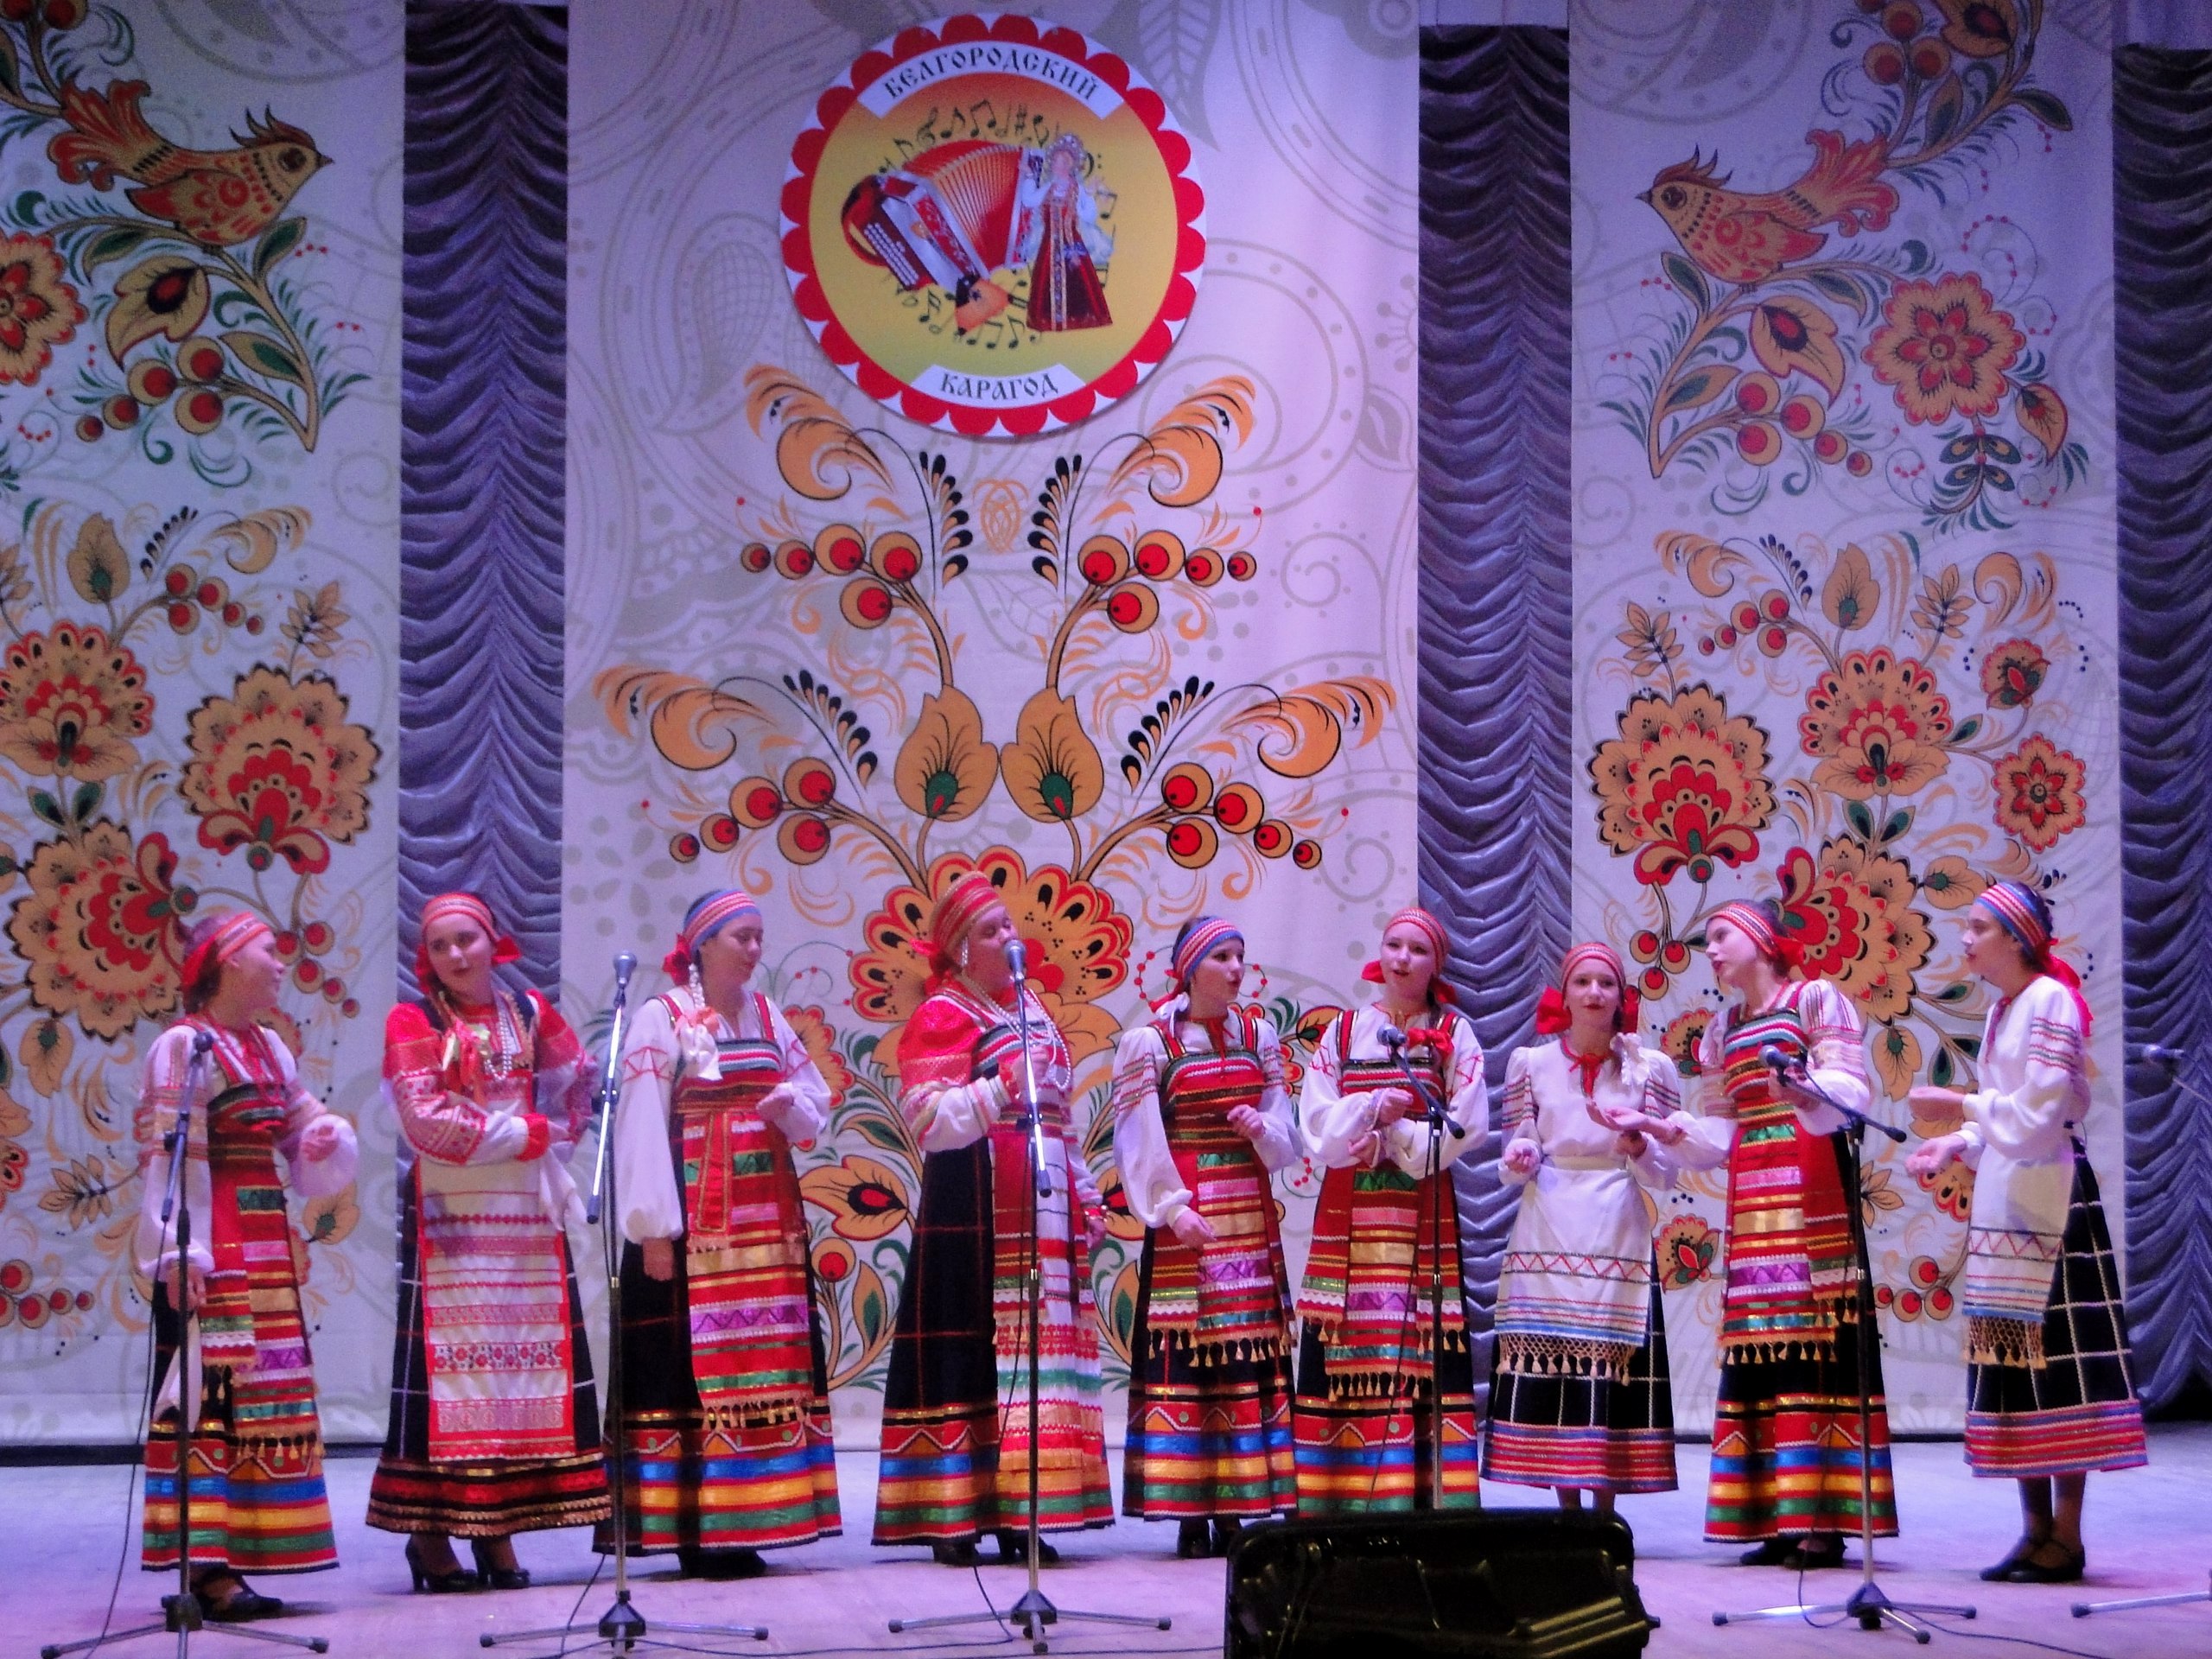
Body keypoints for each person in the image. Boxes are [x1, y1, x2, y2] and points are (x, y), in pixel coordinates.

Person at [367, 892, 611, 1591]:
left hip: (524, 1216)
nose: (455, 955)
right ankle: (431, 1534)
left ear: (493, 939)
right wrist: (520, 1134)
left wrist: (554, 1136)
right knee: (451, 1378)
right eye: (439, 945)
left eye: (465, 940)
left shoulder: (528, 1013)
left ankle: (495, 1529)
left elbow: (580, 1082)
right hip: (453, 1214)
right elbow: (424, 1120)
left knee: (512, 1375)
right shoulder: (412, 1020)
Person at [1906, 881, 2146, 1584]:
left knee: (2059, 1364)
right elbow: (2007, 1118)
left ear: (2015, 936)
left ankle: (2066, 1535)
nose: (1967, 939)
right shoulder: (2005, 1008)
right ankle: (2033, 1530)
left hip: (2050, 1202)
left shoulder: (2048, 1001)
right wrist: (1957, 1142)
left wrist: (1958, 1103)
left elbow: (2042, 1111)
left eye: (1978, 926)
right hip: (2008, 1198)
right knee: (2014, 1361)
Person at [873, 874, 1113, 1563]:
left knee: (1035, 1352)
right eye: (991, 931)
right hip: (971, 1205)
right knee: (971, 1354)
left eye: (1009, 926)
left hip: (1037, 1199)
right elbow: (929, 1120)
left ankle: (1023, 1510)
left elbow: (1058, 1114)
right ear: (959, 948)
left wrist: (1083, 1192)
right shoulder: (945, 1014)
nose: (1010, 939)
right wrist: (1000, 1086)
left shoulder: (1031, 1009)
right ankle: (954, 1513)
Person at [610, 889, 841, 1577]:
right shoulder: (661, 1019)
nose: (753, 948)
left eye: (758, 936)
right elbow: (643, 1121)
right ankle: (695, 1526)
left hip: (768, 1228)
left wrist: (789, 1104)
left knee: (767, 1365)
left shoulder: (769, 1016)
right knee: (690, 1370)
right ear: (702, 943)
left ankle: (756, 1517)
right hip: (696, 1229)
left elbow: (816, 1103)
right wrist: (652, 1229)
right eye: (740, 935)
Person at [135, 912, 357, 1620]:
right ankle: (204, 1565)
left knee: (262, 1399)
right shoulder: (184, 1046)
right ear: (229, 961)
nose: (281, 963)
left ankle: (250, 1549)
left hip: (265, 1239)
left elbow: (299, 1131)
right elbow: (171, 1157)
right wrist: (177, 1253)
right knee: (212, 1398)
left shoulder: (267, 1046)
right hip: (217, 1239)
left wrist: (323, 1136)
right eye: (269, 951)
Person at [1665, 898, 1897, 1567]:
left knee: (1813, 1351)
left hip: (1807, 1196)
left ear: (1762, 940)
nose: (1711, 949)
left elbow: (1851, 1090)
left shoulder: (1814, 1001)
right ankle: (1770, 1517)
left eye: (1721, 936)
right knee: (1762, 1356)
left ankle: (1820, 1520)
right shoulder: (1721, 1028)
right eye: (1707, 939)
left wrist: (1805, 1089)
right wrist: (1671, 1135)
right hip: (1753, 1211)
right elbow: (1720, 1133)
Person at [1112, 916, 1303, 1554]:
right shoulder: (1151, 1042)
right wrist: (1169, 1207)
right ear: (1191, 968)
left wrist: (1262, 1131)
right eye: (1222, 956)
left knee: (1244, 1356)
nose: (1235, 968)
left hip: (1247, 1219)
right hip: (1189, 1216)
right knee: (1191, 1357)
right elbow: (1139, 1132)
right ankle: (1191, 1511)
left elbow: (1284, 1133)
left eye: (1240, 955)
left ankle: (1240, 1507)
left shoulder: (1260, 1035)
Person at [1293, 906, 1486, 1513]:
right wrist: (1367, 1114)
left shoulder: (1454, 1033)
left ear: (1436, 964)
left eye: (1417, 950)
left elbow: (1466, 1124)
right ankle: (1337, 1495)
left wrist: (1396, 1140)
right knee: (1346, 1330)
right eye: (1394, 945)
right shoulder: (1344, 1032)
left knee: (1424, 1334)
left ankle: (1426, 1499)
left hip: (1419, 1205)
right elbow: (1317, 1123)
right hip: (1350, 1209)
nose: (1403, 958)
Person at [1484, 941, 1680, 1508]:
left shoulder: (1650, 1070)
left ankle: (1604, 1506)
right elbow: (1518, 1139)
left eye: (1607, 984)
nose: (1595, 993)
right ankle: (1566, 1505)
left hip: (1615, 1219)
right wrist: (1521, 1156)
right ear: (1564, 994)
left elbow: (1666, 1174)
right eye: (1583, 982)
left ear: (1622, 998)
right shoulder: (1532, 1063)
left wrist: (1639, 1146)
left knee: (1610, 1361)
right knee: (1557, 1359)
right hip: (1549, 1218)